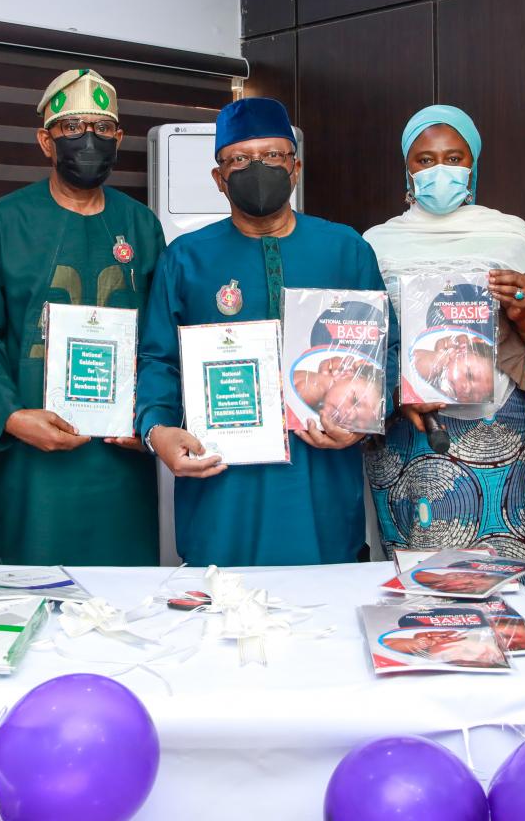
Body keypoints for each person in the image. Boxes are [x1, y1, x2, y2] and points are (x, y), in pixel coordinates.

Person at [137, 95, 388, 567]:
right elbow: (158, 360)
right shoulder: (185, 259)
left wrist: (360, 422)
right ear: (218, 178)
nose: (259, 168)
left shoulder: (346, 250)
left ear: (294, 167)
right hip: (223, 489)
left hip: (321, 481)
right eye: (240, 159)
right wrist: (158, 431)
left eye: (273, 156)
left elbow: (381, 356)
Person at [0, 69, 165, 566]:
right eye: (72, 128)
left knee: (124, 604)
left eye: (101, 127)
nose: (88, 139)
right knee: (31, 598)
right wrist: (9, 416)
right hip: (32, 460)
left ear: (119, 139)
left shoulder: (142, 225)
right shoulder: (3, 220)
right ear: (45, 141)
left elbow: (162, 340)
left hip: (120, 457)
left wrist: (151, 418)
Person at [362, 105, 525, 586]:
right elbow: (361, 342)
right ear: (406, 169)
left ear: (474, 165)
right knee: (421, 580)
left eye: (454, 157)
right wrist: (392, 391)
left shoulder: (513, 237)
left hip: (500, 430)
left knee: (507, 577)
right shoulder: (374, 244)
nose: (440, 170)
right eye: (425, 160)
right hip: (408, 431)